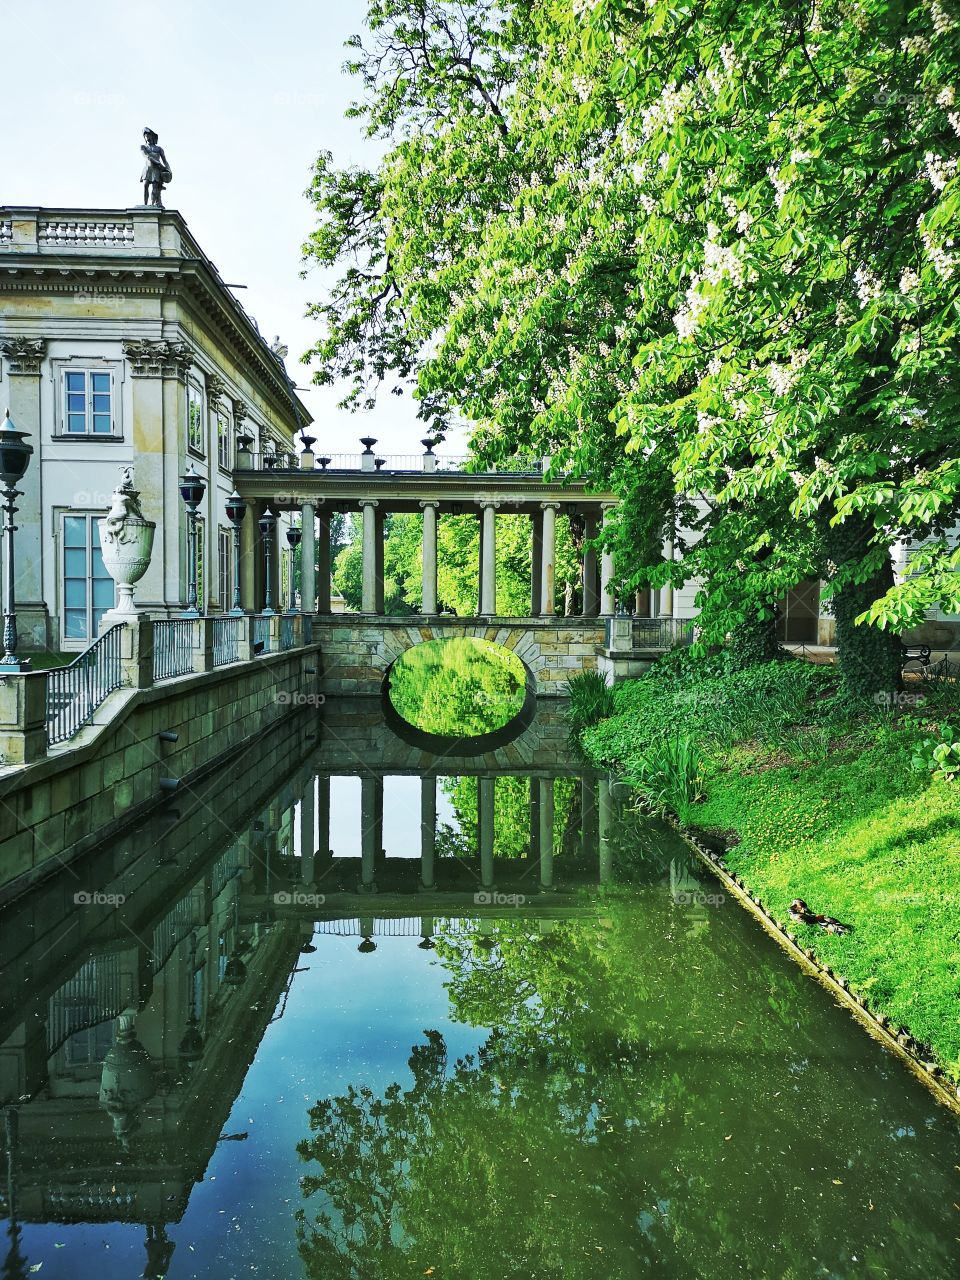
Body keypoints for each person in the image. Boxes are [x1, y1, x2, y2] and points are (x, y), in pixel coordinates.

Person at [140, 128, 172, 206]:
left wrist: (169, 169)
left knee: (155, 187)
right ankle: (145, 205)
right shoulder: (143, 147)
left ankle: (152, 204)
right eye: (145, 135)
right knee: (145, 185)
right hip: (148, 169)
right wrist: (159, 164)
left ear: (152, 136)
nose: (146, 136)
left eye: (148, 134)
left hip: (156, 170)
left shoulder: (159, 149)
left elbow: (165, 160)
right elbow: (146, 156)